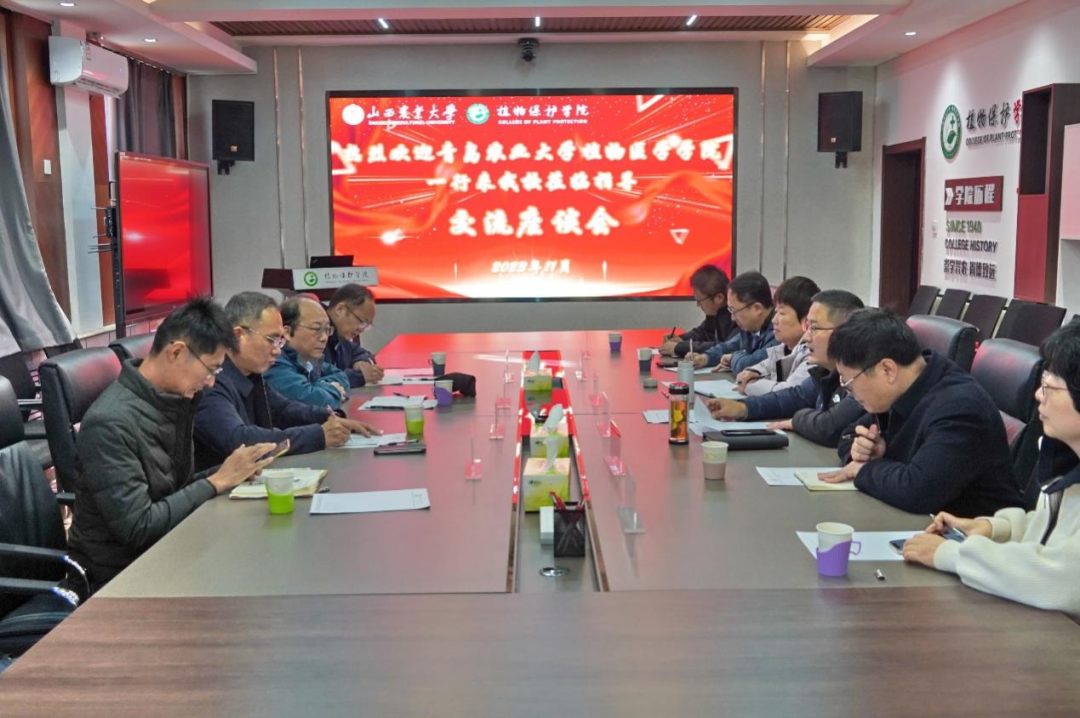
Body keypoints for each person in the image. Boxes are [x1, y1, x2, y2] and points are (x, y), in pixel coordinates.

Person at [67, 298, 278, 592]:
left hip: (167, 554)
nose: (210, 383)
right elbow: (138, 527)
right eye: (211, 370)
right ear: (176, 352)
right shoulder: (109, 423)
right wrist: (216, 481)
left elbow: (172, 489)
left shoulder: (172, 402)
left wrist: (229, 473)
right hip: (117, 579)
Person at [901, 323, 1080, 620]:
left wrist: (949, 554)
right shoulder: (1066, 459)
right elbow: (1055, 532)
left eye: (1050, 386)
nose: (1038, 394)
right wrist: (994, 529)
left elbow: (1059, 578)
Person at [820, 308, 1023, 517]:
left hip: (971, 532)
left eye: (849, 382)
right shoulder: (903, 388)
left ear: (887, 370)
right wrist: (862, 451)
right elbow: (849, 435)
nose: (848, 391)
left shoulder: (960, 408)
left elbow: (917, 491)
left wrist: (864, 469)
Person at [194, 292, 380, 471]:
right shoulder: (210, 381)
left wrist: (329, 417)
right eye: (271, 339)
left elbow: (283, 410)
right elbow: (240, 440)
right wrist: (319, 435)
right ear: (238, 335)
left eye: (280, 341)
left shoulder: (251, 374)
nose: (277, 350)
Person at [704, 289, 866, 447]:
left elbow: (829, 427)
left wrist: (797, 420)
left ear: (845, 332)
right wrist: (743, 408)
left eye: (814, 328)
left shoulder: (862, 378)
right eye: (807, 326)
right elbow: (796, 397)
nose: (806, 337)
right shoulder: (825, 371)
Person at [735, 276, 819, 396]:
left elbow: (789, 392)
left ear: (806, 321)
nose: (774, 320)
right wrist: (752, 372)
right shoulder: (785, 348)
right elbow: (765, 366)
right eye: (776, 312)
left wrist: (750, 386)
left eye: (782, 313)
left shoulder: (814, 354)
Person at [265, 296, 352, 409]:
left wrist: (317, 386)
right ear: (287, 333)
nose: (324, 338)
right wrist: (332, 389)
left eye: (327, 330)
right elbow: (314, 401)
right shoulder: (274, 363)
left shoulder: (308, 360)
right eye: (316, 329)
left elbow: (342, 377)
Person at [685, 271, 778, 374]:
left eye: (735, 311)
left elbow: (754, 363)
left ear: (757, 308)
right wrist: (705, 358)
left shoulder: (779, 329)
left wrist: (733, 358)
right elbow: (727, 347)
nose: (733, 318)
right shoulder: (751, 328)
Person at [659, 265, 736, 358]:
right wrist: (681, 339)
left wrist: (679, 347)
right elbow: (703, 332)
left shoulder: (737, 317)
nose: (698, 305)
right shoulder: (716, 313)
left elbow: (726, 347)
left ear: (719, 298)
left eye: (699, 300)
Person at [324, 284, 384, 387]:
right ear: (340, 309)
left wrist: (360, 362)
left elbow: (360, 352)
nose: (362, 329)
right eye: (361, 322)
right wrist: (359, 376)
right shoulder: (316, 336)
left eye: (366, 325)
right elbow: (318, 380)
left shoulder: (340, 337)